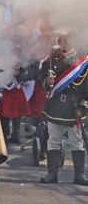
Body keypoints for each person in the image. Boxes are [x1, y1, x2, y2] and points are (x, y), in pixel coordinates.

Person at [39, 30, 88, 185]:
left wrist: (83, 107)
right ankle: (52, 174)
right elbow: (43, 82)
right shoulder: (51, 60)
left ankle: (79, 175)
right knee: (53, 141)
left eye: (68, 41)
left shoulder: (83, 61)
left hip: (75, 108)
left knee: (77, 142)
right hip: (55, 106)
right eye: (63, 41)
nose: (64, 44)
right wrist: (48, 82)